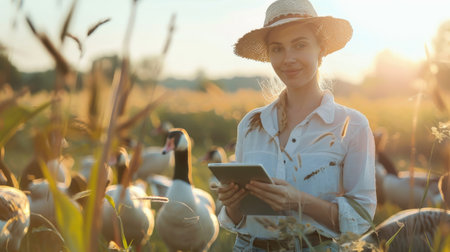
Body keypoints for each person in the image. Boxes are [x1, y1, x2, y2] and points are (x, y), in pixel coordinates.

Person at [217, 0, 377, 251]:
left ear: (320, 51)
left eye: (300, 45)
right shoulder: (250, 124)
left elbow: (361, 219)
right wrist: (232, 202)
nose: (288, 58)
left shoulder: (353, 125)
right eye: (277, 49)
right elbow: (238, 220)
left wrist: (300, 202)